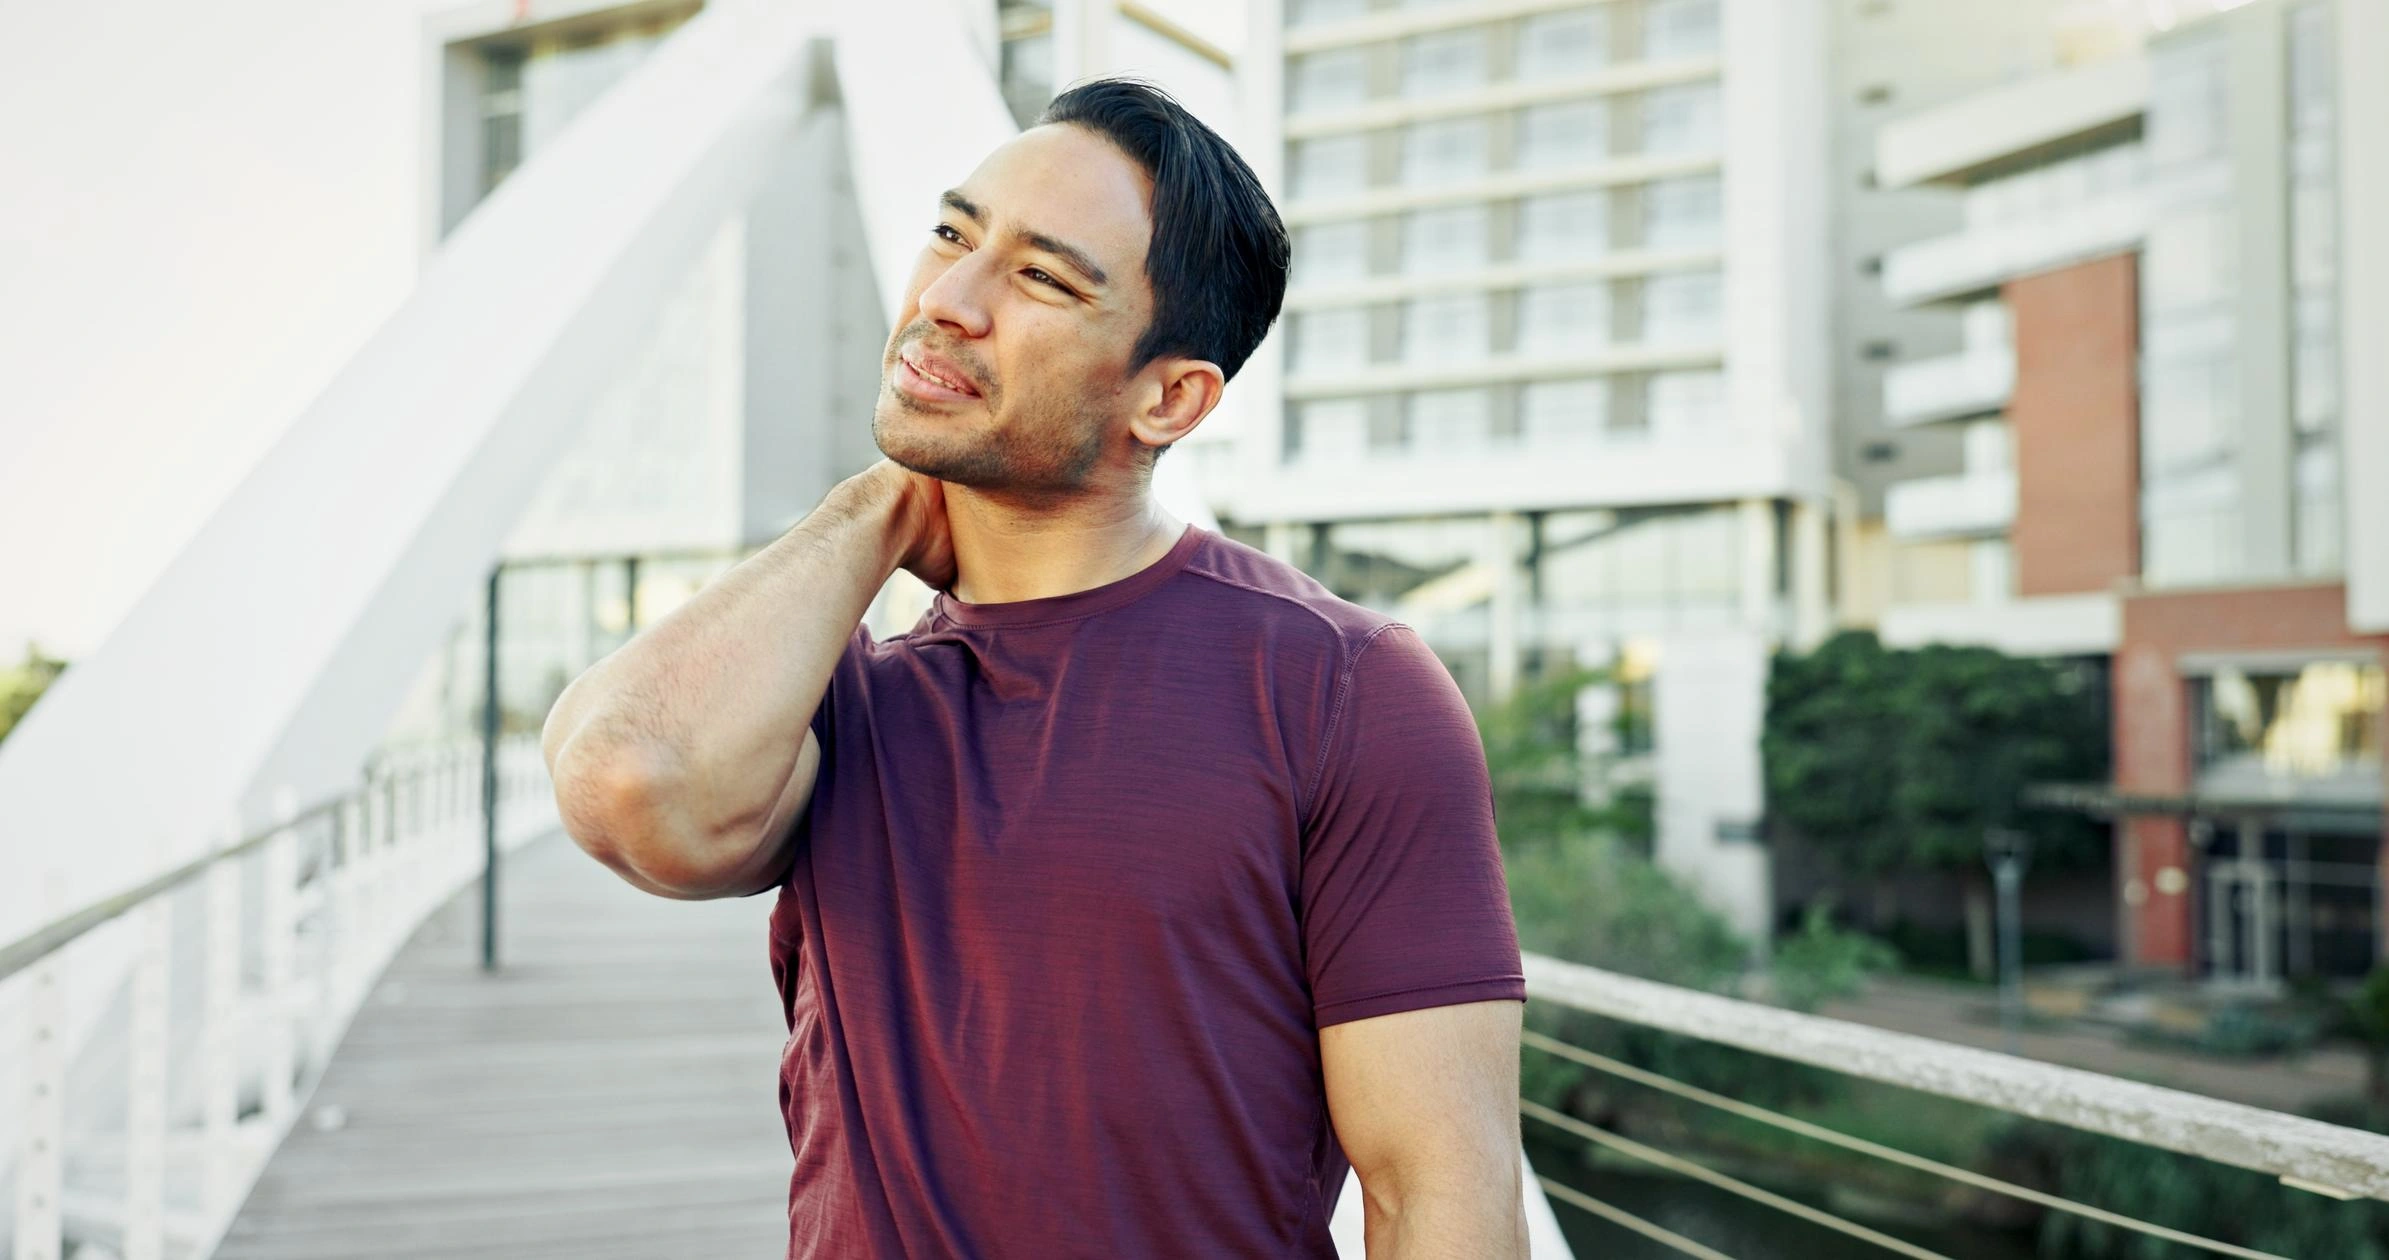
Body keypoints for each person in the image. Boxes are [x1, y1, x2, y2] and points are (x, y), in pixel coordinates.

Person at [542, 78, 1528, 1259]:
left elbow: (1439, 1198)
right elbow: (626, 782)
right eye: (954, 236)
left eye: (1041, 279)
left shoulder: (1338, 688)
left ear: (1168, 396)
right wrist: (877, 505)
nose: (949, 300)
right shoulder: (840, 699)